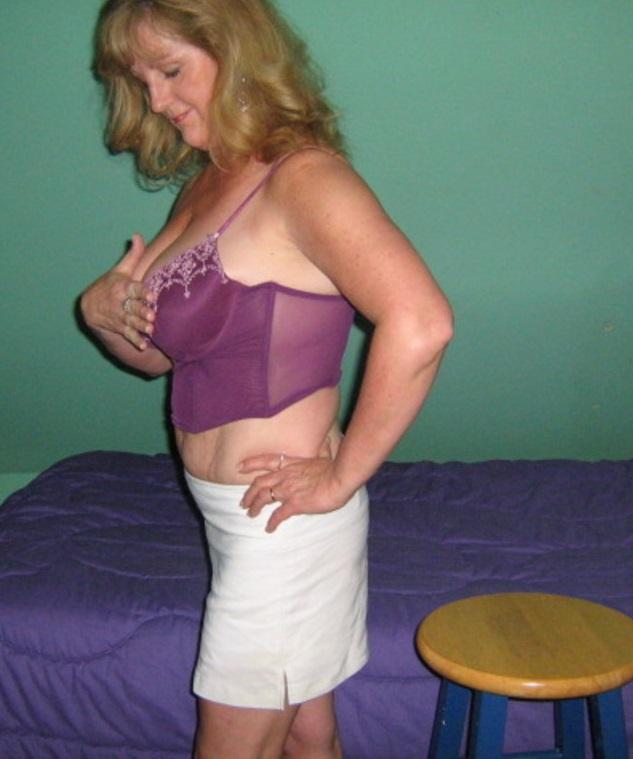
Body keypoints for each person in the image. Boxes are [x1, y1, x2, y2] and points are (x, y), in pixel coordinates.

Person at [79, 1, 453, 757]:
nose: (156, 99)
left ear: (237, 52)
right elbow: (157, 357)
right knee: (307, 738)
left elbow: (421, 322)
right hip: (234, 519)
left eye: (171, 70)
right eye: (141, 79)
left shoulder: (303, 178)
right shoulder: (207, 184)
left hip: (282, 531)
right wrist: (103, 313)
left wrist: (342, 475)